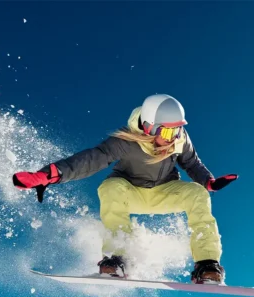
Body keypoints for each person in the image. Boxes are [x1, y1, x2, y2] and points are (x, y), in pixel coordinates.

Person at [12, 94, 238, 284]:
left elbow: (191, 163)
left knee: (198, 194)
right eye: (168, 132)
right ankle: (118, 258)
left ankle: (206, 264)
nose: (173, 138)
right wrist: (49, 174)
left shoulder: (180, 140)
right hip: (131, 191)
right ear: (149, 127)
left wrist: (208, 182)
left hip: (165, 191)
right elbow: (93, 159)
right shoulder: (126, 140)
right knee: (110, 187)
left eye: (177, 131)